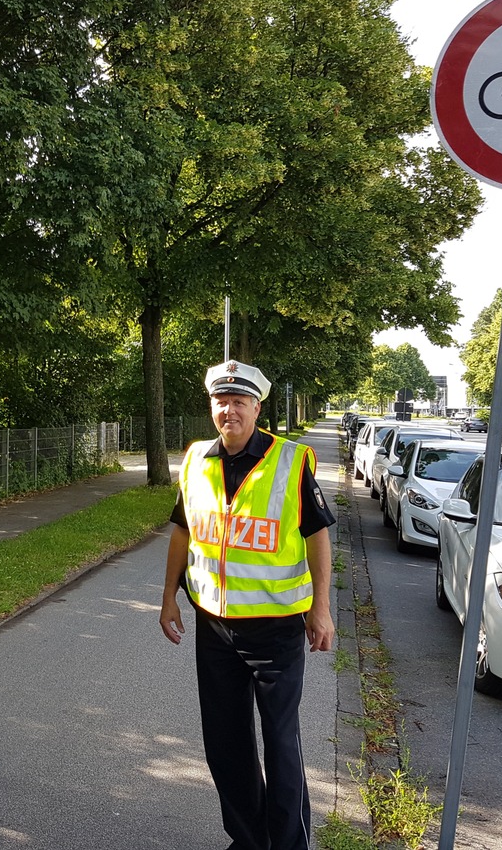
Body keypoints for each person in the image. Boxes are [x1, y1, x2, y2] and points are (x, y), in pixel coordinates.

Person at [159, 360, 336, 850]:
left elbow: (318, 535)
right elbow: (182, 530)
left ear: (257, 407)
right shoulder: (196, 458)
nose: (229, 410)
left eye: (239, 402)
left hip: (275, 630)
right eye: (221, 401)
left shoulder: (290, 460)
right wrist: (168, 597)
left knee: (280, 743)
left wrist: (320, 610)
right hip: (213, 627)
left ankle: (289, 844)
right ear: (211, 406)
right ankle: (247, 838)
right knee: (225, 743)